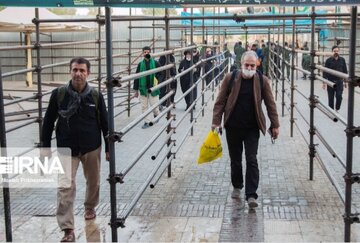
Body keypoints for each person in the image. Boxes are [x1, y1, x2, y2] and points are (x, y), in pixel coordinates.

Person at [41, 57, 109, 242]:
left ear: (88, 73)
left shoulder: (95, 96)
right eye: (75, 70)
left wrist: (108, 148)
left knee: (93, 182)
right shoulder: (59, 95)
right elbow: (47, 123)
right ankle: (67, 229)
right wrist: (45, 148)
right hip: (66, 148)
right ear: (70, 72)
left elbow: (105, 122)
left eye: (82, 70)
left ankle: (90, 207)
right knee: (65, 186)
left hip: (91, 147)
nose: (78, 73)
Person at [211, 51, 280, 209]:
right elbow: (220, 102)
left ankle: (251, 195)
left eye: (252, 65)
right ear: (240, 65)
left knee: (251, 159)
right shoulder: (230, 78)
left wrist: (275, 124)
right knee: (235, 160)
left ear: (257, 65)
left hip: (252, 128)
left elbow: (271, 104)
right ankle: (237, 185)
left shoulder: (262, 81)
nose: (249, 68)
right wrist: (216, 122)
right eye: (246, 65)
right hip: (233, 126)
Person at [133, 46, 164, 129]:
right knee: (144, 106)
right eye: (145, 52)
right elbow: (137, 77)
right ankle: (147, 122)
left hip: (153, 88)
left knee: (154, 105)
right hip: (143, 89)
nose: (146, 53)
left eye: (148, 52)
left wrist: (157, 82)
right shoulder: (140, 65)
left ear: (150, 53)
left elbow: (161, 73)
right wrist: (135, 90)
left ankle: (156, 114)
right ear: (143, 53)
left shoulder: (156, 63)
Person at [322, 45, 348, 112]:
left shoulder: (342, 60)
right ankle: (331, 111)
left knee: (339, 96)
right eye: (334, 51)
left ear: (339, 52)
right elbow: (325, 71)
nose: (336, 52)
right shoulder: (328, 60)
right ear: (332, 52)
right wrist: (324, 82)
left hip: (339, 82)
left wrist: (345, 81)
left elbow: (345, 70)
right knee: (331, 97)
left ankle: (337, 109)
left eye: (337, 51)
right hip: (330, 82)